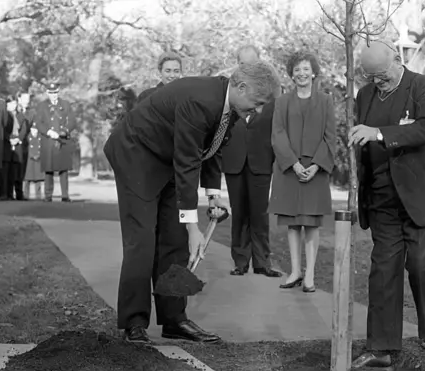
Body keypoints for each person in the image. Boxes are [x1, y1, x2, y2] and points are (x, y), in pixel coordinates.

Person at [104, 60, 282, 344]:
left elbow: (211, 149)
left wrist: (213, 196)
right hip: (137, 156)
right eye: (258, 102)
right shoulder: (200, 101)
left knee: (173, 242)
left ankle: (174, 319)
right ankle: (134, 322)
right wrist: (193, 227)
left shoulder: (233, 107)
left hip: (169, 159)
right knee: (143, 240)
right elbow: (188, 161)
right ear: (241, 87)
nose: (259, 110)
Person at [348, 40, 425, 369]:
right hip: (383, 199)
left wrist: (378, 133)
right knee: (383, 271)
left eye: (382, 75)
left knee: (422, 268)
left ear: (397, 61)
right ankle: (381, 348)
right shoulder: (365, 95)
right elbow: (362, 140)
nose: (377, 83)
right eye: (371, 77)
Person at [269, 51, 336, 293]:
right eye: (297, 69)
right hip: (289, 170)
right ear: (291, 73)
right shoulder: (282, 102)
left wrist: (316, 165)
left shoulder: (326, 101)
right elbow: (277, 135)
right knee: (293, 223)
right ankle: (295, 271)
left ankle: (310, 275)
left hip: (315, 171)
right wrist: (294, 165)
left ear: (314, 72)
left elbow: (330, 137)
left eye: (306, 69)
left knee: (311, 223)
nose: (301, 73)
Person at [221, 45, 281, 278]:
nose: (247, 67)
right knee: (239, 213)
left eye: (252, 63)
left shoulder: (271, 94)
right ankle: (240, 261)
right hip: (234, 160)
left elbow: (277, 128)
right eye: (243, 64)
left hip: (261, 160)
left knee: (260, 213)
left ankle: (262, 262)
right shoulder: (229, 92)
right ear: (238, 64)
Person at [33, 82, 76, 202]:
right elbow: (38, 123)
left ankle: (65, 195)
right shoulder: (42, 106)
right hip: (48, 140)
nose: (53, 95)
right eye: (51, 93)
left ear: (58, 92)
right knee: (49, 169)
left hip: (62, 140)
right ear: (47, 93)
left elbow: (72, 121)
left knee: (63, 169)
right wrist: (48, 132)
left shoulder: (66, 104)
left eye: (55, 92)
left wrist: (65, 131)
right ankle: (48, 195)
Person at [0, 94, 26, 200]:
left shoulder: (21, 116)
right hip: (6, 145)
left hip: (18, 145)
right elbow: (1, 129)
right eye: (10, 103)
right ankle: (7, 193)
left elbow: (24, 129)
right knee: (6, 171)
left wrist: (18, 139)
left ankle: (19, 194)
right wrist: (9, 139)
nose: (13, 105)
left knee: (17, 171)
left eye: (14, 103)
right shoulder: (4, 115)